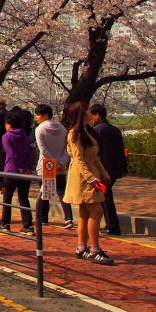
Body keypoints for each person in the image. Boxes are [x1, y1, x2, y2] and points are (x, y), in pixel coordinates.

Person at [61, 100, 114, 265]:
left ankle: (81, 247)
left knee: (85, 213)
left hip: (91, 174)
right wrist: (91, 178)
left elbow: (93, 157)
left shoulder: (86, 131)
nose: (91, 113)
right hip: (83, 178)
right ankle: (94, 249)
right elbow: (78, 159)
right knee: (96, 212)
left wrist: (104, 174)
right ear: (81, 114)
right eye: (88, 111)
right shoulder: (74, 134)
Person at [0, 109, 37, 234]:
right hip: (25, 172)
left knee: (7, 197)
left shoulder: (6, 136)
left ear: (9, 123)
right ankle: (28, 225)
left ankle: (5, 223)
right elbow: (33, 152)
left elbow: (11, 154)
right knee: (23, 197)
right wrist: (26, 166)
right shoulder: (25, 136)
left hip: (11, 170)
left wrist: (19, 166)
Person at [34, 104, 74, 229]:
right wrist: (61, 162)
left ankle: (43, 218)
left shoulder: (40, 129)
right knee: (62, 192)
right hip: (60, 166)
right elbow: (66, 149)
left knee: (45, 192)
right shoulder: (63, 129)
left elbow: (43, 149)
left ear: (45, 115)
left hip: (46, 165)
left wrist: (52, 163)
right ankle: (68, 218)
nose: (36, 117)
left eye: (38, 114)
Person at [91, 103, 128, 236]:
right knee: (106, 196)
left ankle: (112, 226)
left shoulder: (96, 130)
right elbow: (120, 150)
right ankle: (111, 225)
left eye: (92, 115)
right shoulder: (115, 130)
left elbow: (95, 152)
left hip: (103, 168)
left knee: (105, 197)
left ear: (97, 115)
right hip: (115, 167)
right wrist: (124, 168)